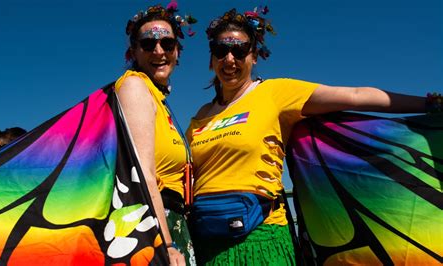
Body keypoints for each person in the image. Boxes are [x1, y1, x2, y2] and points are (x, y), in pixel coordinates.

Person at [186, 7, 442, 265]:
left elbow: (355, 96)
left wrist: (430, 104)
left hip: (260, 238)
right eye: (221, 50)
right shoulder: (201, 116)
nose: (229, 59)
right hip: (208, 241)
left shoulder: (274, 93)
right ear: (211, 59)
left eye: (239, 51)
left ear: (253, 57)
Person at [115, 2, 196, 265]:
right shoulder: (135, 86)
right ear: (134, 53)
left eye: (167, 44)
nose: (159, 51)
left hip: (171, 221)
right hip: (154, 230)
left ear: (177, 51)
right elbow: (143, 172)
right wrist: (167, 244)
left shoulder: (158, 99)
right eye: (148, 44)